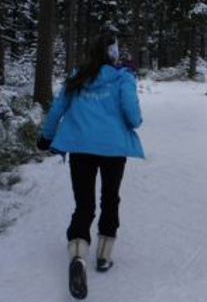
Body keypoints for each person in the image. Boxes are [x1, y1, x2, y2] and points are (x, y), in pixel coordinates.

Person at [36, 32, 144, 299]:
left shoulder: (77, 76)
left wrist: (46, 137)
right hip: (113, 149)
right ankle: (104, 256)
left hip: (80, 147)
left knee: (84, 203)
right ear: (114, 54)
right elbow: (134, 118)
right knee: (110, 198)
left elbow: (57, 109)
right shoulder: (123, 78)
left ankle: (77, 256)